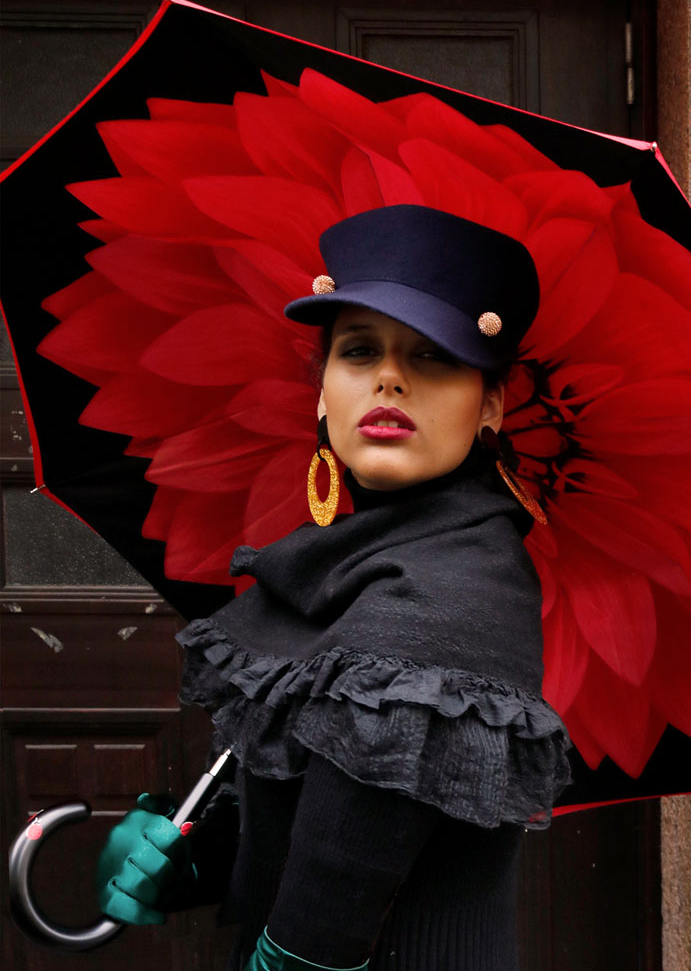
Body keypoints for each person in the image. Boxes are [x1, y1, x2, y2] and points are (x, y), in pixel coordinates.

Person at [93, 204, 572, 971]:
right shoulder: (338, 562)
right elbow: (303, 813)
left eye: (434, 357)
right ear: (322, 392)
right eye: (358, 350)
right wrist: (186, 857)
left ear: (491, 405)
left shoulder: (459, 584)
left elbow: (336, 893)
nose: (389, 377)